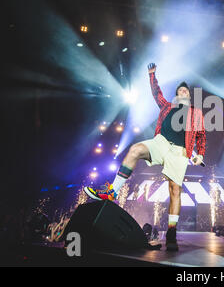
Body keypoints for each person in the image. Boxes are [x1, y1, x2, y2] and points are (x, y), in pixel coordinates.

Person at [84, 63, 206, 251]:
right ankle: (112, 191)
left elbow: (201, 136)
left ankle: (172, 232)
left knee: (175, 189)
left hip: (180, 151)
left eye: (185, 91)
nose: (182, 92)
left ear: (188, 96)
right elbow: (156, 93)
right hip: (161, 142)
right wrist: (152, 75)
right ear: (177, 95)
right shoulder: (167, 106)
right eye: (179, 90)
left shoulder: (196, 113)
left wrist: (200, 155)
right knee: (134, 150)